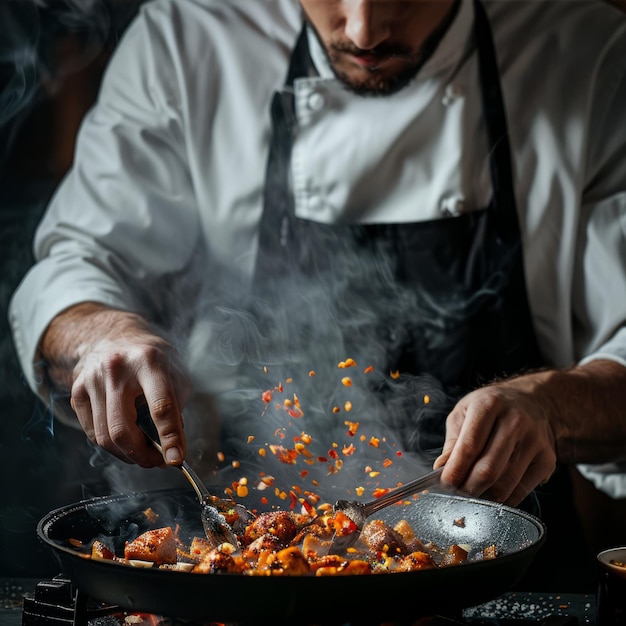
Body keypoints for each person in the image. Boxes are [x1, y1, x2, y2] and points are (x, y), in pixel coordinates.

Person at [8, 0, 626, 585]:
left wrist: (552, 405)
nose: (364, 31)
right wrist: (97, 332)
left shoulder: (586, 53)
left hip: (506, 575)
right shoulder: (189, 40)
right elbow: (78, 262)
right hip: (229, 578)